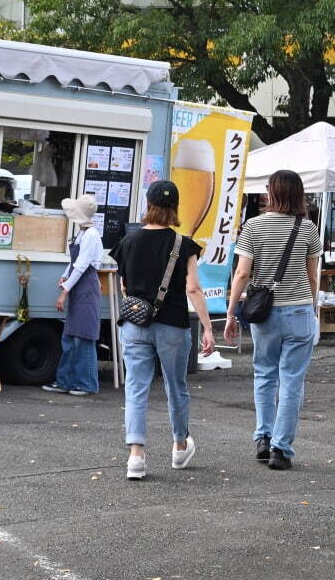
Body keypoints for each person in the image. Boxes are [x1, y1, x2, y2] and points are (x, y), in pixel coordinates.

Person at [112, 179, 215, 480]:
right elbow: (193, 289)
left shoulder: (127, 242)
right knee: (175, 386)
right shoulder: (184, 245)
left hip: (134, 323)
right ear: (175, 208)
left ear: (149, 205)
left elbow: (124, 285)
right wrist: (207, 328)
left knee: (136, 388)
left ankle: (136, 456)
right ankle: (180, 447)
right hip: (172, 325)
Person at [224, 169, 322, 470]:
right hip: (299, 311)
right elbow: (311, 275)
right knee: (292, 381)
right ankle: (281, 449)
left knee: (265, 375)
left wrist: (230, 313)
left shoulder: (252, 226)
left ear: (272, 193)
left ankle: (263, 438)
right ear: (299, 194)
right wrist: (313, 308)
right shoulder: (308, 229)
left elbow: (242, 273)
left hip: (264, 314)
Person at [44, 193, 103, 397]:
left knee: (84, 336)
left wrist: (64, 292)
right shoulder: (82, 233)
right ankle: (65, 380)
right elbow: (74, 264)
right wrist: (64, 277)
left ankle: (86, 383)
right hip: (79, 285)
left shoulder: (91, 235)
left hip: (86, 287)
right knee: (69, 336)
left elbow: (81, 266)